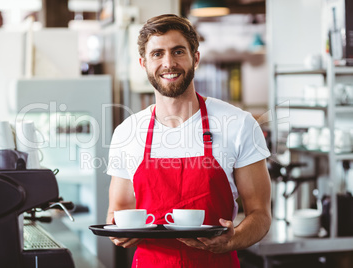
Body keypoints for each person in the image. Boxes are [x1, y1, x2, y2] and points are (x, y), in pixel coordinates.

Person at [106, 14, 271, 267]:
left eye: (178, 51)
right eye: (157, 54)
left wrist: (232, 239)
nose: (168, 63)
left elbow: (260, 215)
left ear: (195, 58)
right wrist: (119, 232)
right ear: (143, 63)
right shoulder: (127, 132)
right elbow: (118, 212)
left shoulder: (239, 124)